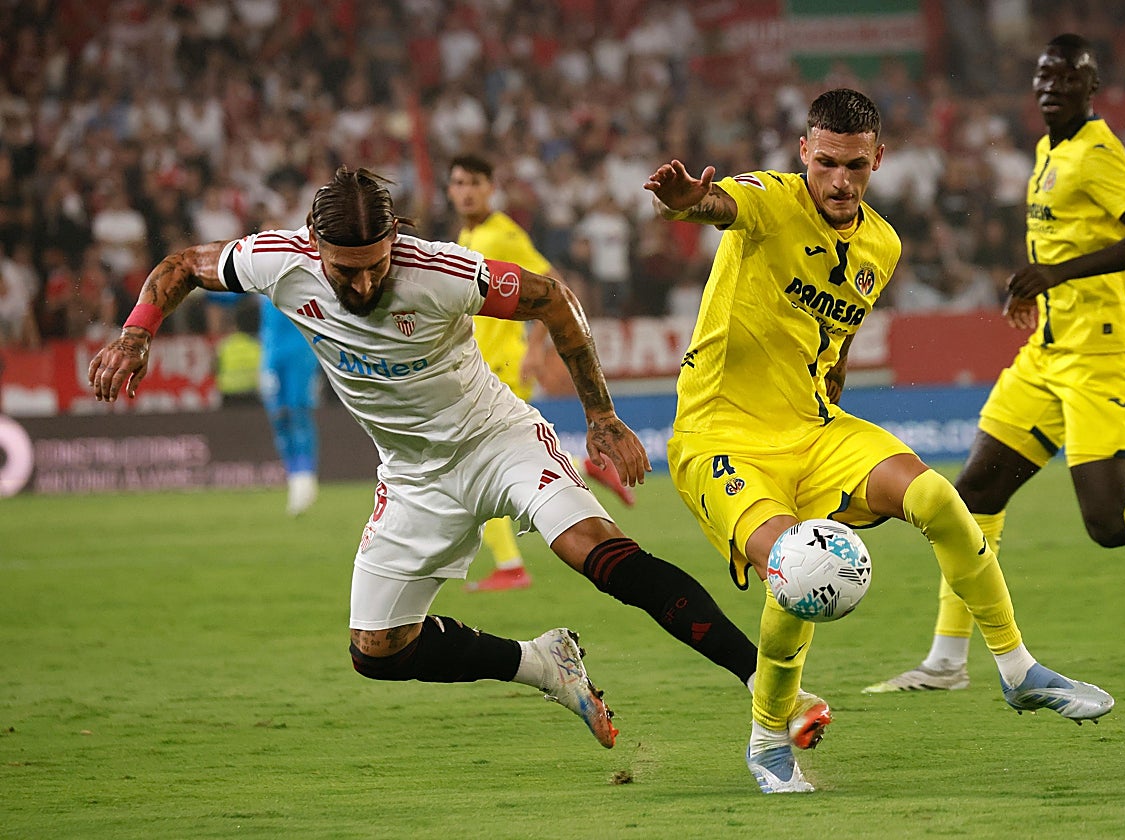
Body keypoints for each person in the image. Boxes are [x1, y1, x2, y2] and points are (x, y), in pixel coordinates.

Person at [88, 165, 785, 760]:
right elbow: (181, 265)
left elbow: (553, 299)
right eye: (343, 272)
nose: (360, 287)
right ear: (315, 249)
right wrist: (134, 335)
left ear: (395, 242)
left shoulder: (442, 271)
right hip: (413, 476)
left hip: (496, 441)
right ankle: (542, 664)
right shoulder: (277, 261)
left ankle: (765, 682)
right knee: (377, 650)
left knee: (593, 551)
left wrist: (600, 416)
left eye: (374, 267)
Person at [644, 88, 1114, 795]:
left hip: (811, 425)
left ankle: (1018, 672)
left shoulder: (881, 245)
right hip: (721, 436)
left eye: (855, 167)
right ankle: (769, 741)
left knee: (936, 496)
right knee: (795, 569)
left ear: (878, 160)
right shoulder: (770, 200)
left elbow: (839, 337)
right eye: (826, 163)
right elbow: (718, 206)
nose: (839, 181)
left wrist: (832, 385)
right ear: (804, 152)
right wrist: (685, 202)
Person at [864, 35, 1125, 695]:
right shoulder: (1050, 150)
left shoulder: (1097, 153)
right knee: (974, 496)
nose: (1051, 87)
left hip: (1101, 351)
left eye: (1067, 77)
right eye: (1044, 76)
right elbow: (1060, 241)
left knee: (1110, 523)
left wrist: (1053, 273)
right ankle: (946, 661)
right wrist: (1034, 290)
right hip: (1049, 348)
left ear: (1091, 86)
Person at [446, 153, 634, 593]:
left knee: (477, 464)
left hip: (501, 365)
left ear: (491, 187)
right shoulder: (468, 234)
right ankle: (585, 468)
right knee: (492, 462)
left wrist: (535, 345)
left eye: (474, 182)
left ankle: (511, 564)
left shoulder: (505, 234)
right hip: (479, 365)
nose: (466, 190)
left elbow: (554, 287)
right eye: (458, 183)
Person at [259, 297, 322, 516]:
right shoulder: (258, 270)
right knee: (278, 417)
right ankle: (294, 476)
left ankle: (305, 479)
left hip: (300, 350)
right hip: (271, 352)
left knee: (298, 413)